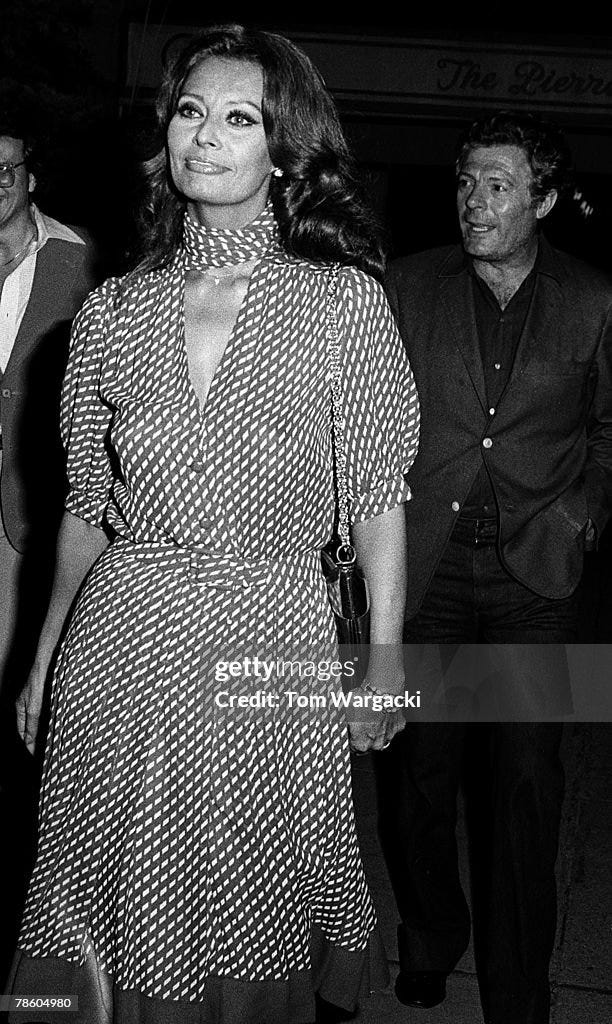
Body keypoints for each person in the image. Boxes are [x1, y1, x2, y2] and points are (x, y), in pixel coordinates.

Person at [10, 23, 420, 1024]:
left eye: (240, 118)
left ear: (284, 150)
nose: (206, 135)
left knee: (246, 878)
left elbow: (377, 496)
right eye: (191, 111)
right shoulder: (111, 313)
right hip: (121, 636)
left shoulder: (340, 304)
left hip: (270, 626)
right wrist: (44, 656)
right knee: (109, 867)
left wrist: (383, 662)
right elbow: (86, 510)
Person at [380, 110, 612, 1024]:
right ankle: (432, 937)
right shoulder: (408, 285)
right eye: (467, 182)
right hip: (426, 573)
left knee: (526, 787)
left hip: (534, 584)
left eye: (500, 186)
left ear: (543, 201)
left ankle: (518, 990)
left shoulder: (594, 300)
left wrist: (582, 515)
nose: (475, 202)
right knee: (420, 781)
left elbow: (609, 430)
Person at [0, 112, 96, 987]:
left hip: (25, 510)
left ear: (31, 176)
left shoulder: (76, 259)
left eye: (7, 166)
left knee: (22, 691)